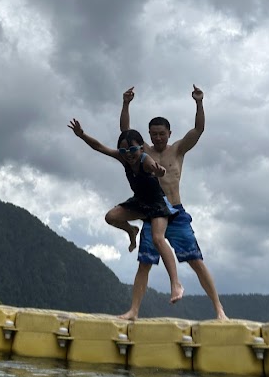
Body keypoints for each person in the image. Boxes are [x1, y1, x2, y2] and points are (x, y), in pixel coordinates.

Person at [119, 85, 227, 321]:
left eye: (161, 133)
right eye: (153, 134)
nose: (157, 137)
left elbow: (198, 129)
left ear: (169, 133)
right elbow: (125, 132)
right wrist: (126, 104)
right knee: (144, 263)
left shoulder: (177, 149)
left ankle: (219, 310)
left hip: (175, 212)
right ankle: (133, 311)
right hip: (153, 211)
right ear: (148, 135)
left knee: (195, 259)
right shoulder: (143, 151)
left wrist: (199, 103)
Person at [68, 121, 184, 304]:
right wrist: (82, 135)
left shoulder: (145, 159)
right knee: (111, 217)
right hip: (139, 202)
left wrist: (159, 171)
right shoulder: (124, 158)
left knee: (158, 239)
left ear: (141, 147)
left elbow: (156, 169)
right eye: (123, 151)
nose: (128, 155)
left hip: (156, 205)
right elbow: (99, 147)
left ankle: (176, 284)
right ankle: (132, 231)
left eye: (132, 150)